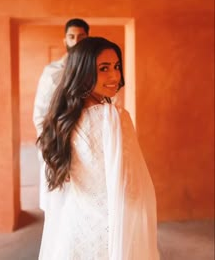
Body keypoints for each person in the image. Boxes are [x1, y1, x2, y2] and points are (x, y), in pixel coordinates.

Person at [37, 37, 160, 260]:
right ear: (82, 72)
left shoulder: (62, 120)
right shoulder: (113, 118)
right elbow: (131, 189)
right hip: (109, 234)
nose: (115, 76)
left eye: (116, 66)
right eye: (104, 68)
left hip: (73, 231)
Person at [33, 18, 89, 210]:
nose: (76, 41)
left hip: (87, 145)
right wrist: (50, 150)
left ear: (87, 39)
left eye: (81, 36)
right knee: (59, 205)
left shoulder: (93, 72)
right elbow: (40, 114)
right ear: (65, 40)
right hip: (57, 143)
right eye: (71, 36)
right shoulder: (52, 72)